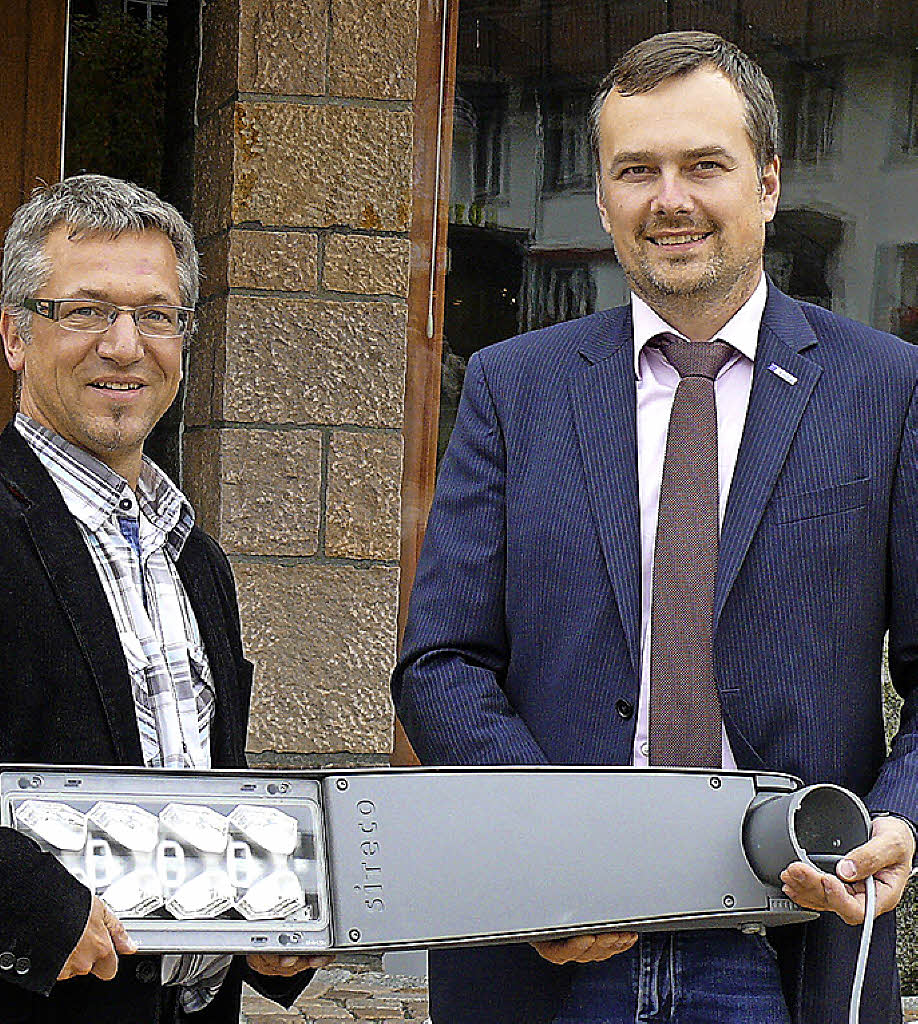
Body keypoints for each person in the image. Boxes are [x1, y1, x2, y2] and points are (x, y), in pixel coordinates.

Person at [393, 31, 918, 1024]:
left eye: (703, 165)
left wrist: (898, 815)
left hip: (785, 940)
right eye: (635, 170)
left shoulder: (885, 390)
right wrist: (556, 847)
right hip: (552, 943)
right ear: (602, 199)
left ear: (767, 183)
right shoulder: (515, 388)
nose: (668, 199)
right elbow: (440, 663)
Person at [0, 174, 326, 1023]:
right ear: (15, 334)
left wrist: (266, 919)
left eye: (157, 315)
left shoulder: (199, 562)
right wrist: (34, 910)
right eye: (85, 311)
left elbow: (202, 799)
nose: (125, 346)